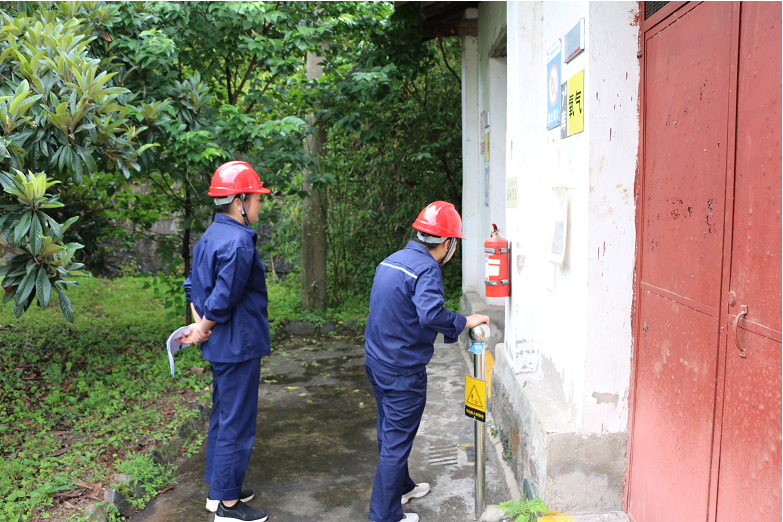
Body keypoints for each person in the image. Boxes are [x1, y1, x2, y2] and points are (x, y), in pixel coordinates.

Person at [364, 201, 490, 522]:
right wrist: (465, 321)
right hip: (402, 372)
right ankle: (385, 516)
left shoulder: (391, 260)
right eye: (454, 244)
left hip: (377, 362)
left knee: (389, 431)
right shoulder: (427, 269)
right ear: (447, 243)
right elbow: (431, 314)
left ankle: (402, 487)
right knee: (395, 441)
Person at [179, 160, 272, 522]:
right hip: (238, 344)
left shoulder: (209, 236)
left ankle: (219, 491)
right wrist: (204, 325)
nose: (260, 203)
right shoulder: (239, 242)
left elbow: (192, 286)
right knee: (237, 423)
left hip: (221, 345)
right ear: (238, 202)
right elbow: (224, 297)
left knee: (223, 416)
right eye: (256, 198)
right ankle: (229, 508)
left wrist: (200, 325)